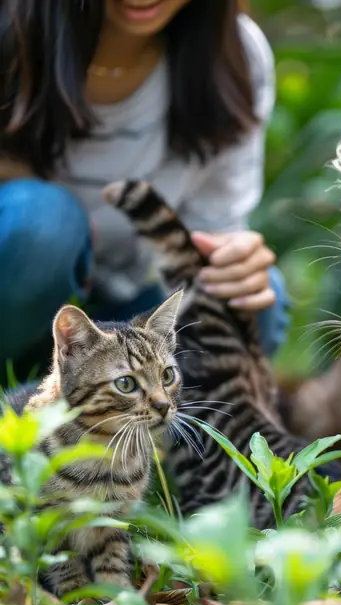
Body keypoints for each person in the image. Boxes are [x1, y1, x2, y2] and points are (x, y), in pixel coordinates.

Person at [0, 0, 288, 384]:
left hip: (122, 326)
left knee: (252, 298)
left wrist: (234, 259)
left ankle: (65, 418)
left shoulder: (233, 55)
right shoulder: (11, 27)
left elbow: (211, 232)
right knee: (44, 223)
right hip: (16, 308)